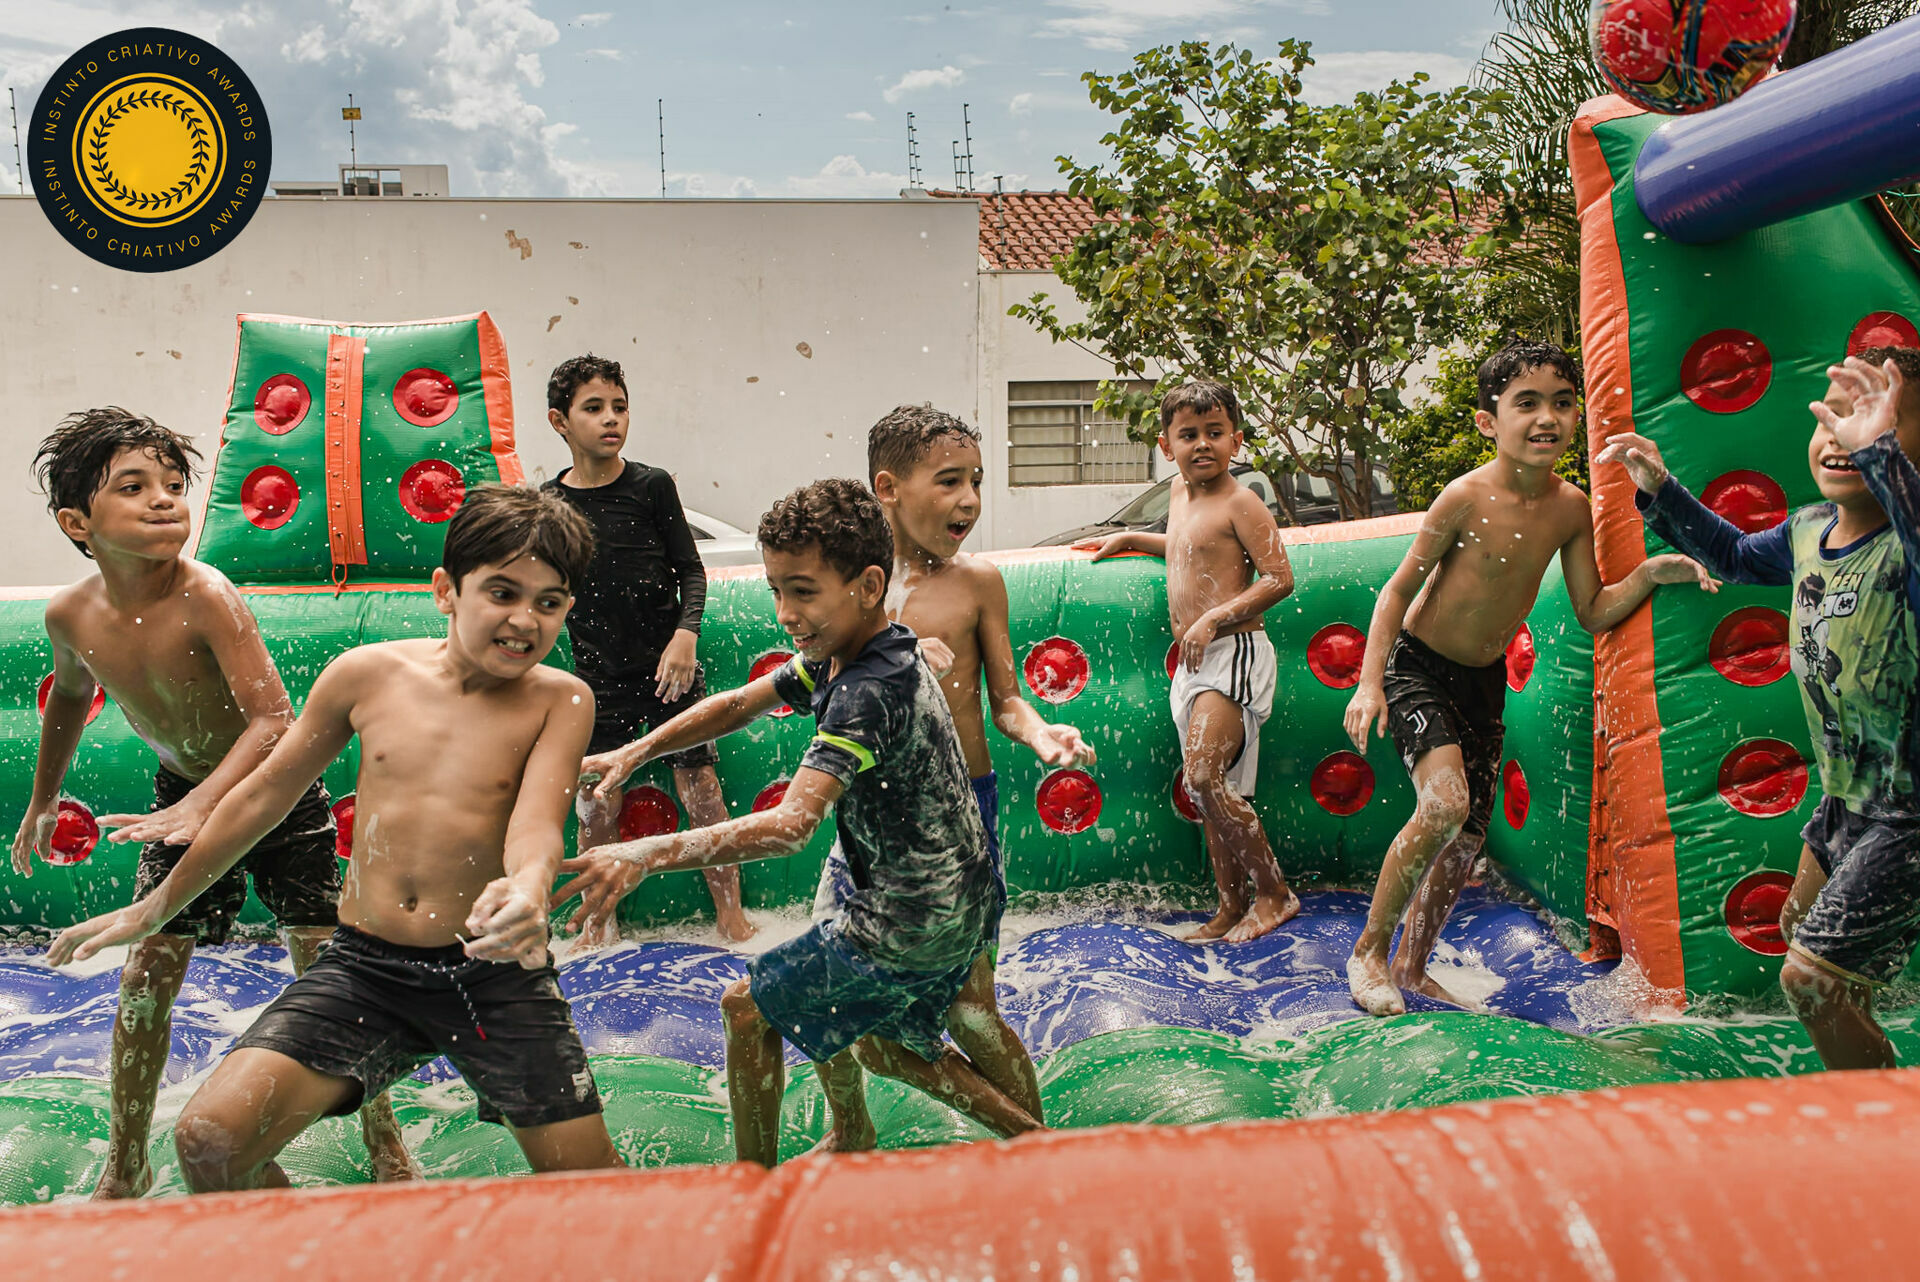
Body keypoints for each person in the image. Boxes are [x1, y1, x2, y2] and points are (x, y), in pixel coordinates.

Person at [47, 485, 624, 1190]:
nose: (524, 620)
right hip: (367, 971)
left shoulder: (558, 699)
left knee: (593, 1187)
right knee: (209, 1141)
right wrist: (154, 907)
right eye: (501, 593)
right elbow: (262, 794)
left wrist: (529, 888)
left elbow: (536, 824)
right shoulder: (367, 676)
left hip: (493, 972)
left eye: (549, 602)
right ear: (446, 590)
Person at [558, 479, 1041, 1165]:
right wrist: (636, 751)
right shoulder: (866, 648)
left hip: (915, 911)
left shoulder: (866, 691)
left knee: (748, 1008)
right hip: (954, 887)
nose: (786, 612)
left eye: (803, 591)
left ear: (869, 585)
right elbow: (737, 704)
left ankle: (752, 1184)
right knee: (883, 1035)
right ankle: (981, 1140)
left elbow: (791, 826)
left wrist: (642, 853)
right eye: (776, 591)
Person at [13, 409, 412, 1197]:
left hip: (279, 793)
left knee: (327, 969)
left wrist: (207, 806)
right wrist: (44, 797)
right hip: (178, 796)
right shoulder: (72, 614)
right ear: (76, 522)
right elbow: (68, 693)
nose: (165, 500)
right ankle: (126, 1164)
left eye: (173, 485)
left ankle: (385, 1139)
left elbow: (274, 721)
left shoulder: (207, 594)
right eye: (134, 488)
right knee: (147, 975)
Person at [1344, 340, 1715, 1016]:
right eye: (1527, 403)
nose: (1548, 417)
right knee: (1444, 804)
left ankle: (1412, 963)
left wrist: (1653, 572)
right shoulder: (1465, 497)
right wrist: (1370, 683)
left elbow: (1593, 608)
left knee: (1465, 841)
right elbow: (1397, 593)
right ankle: (1369, 953)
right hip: (1417, 667)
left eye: (1563, 403)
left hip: (1482, 683)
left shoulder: (1570, 509)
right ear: (1489, 422)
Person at [1599, 349, 1920, 1070]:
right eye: (1833, 415)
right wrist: (1660, 488)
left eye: (1877, 421)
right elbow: (1738, 555)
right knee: (1802, 927)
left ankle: (1885, 1128)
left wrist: (1888, 463)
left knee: (1809, 979)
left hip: (1911, 815)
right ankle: (1867, 1063)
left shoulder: (1907, 549)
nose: (1844, 435)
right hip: (1848, 801)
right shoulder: (1810, 530)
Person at [864, 403, 1093, 1126]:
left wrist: (1041, 734)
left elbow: (1006, 701)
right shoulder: (855, 587)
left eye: (977, 482)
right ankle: (866, 1130)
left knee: (970, 1007)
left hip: (962, 809)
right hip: (875, 819)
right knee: (871, 1013)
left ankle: (1032, 1137)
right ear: (888, 487)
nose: (968, 500)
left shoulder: (976, 583)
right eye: (949, 481)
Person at [1079, 380, 1299, 944]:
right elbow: (1186, 545)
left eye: (1215, 433)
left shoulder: (1241, 501)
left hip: (1234, 652)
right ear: (1166, 444)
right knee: (1210, 788)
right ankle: (1229, 907)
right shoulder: (1180, 494)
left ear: (1236, 439)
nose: (1202, 444)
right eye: (1189, 435)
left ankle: (1275, 894)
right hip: (1196, 664)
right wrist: (1131, 535)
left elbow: (1280, 578)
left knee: (1203, 777)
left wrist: (1214, 618)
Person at [544, 354, 752, 944]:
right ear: (561, 421)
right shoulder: (551, 502)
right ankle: (596, 923)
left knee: (703, 793)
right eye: (594, 408)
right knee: (596, 806)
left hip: (669, 673)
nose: (611, 419)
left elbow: (690, 569)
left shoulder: (651, 486)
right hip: (597, 680)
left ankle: (730, 915)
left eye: (620, 407)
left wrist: (685, 635)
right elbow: (547, 587)